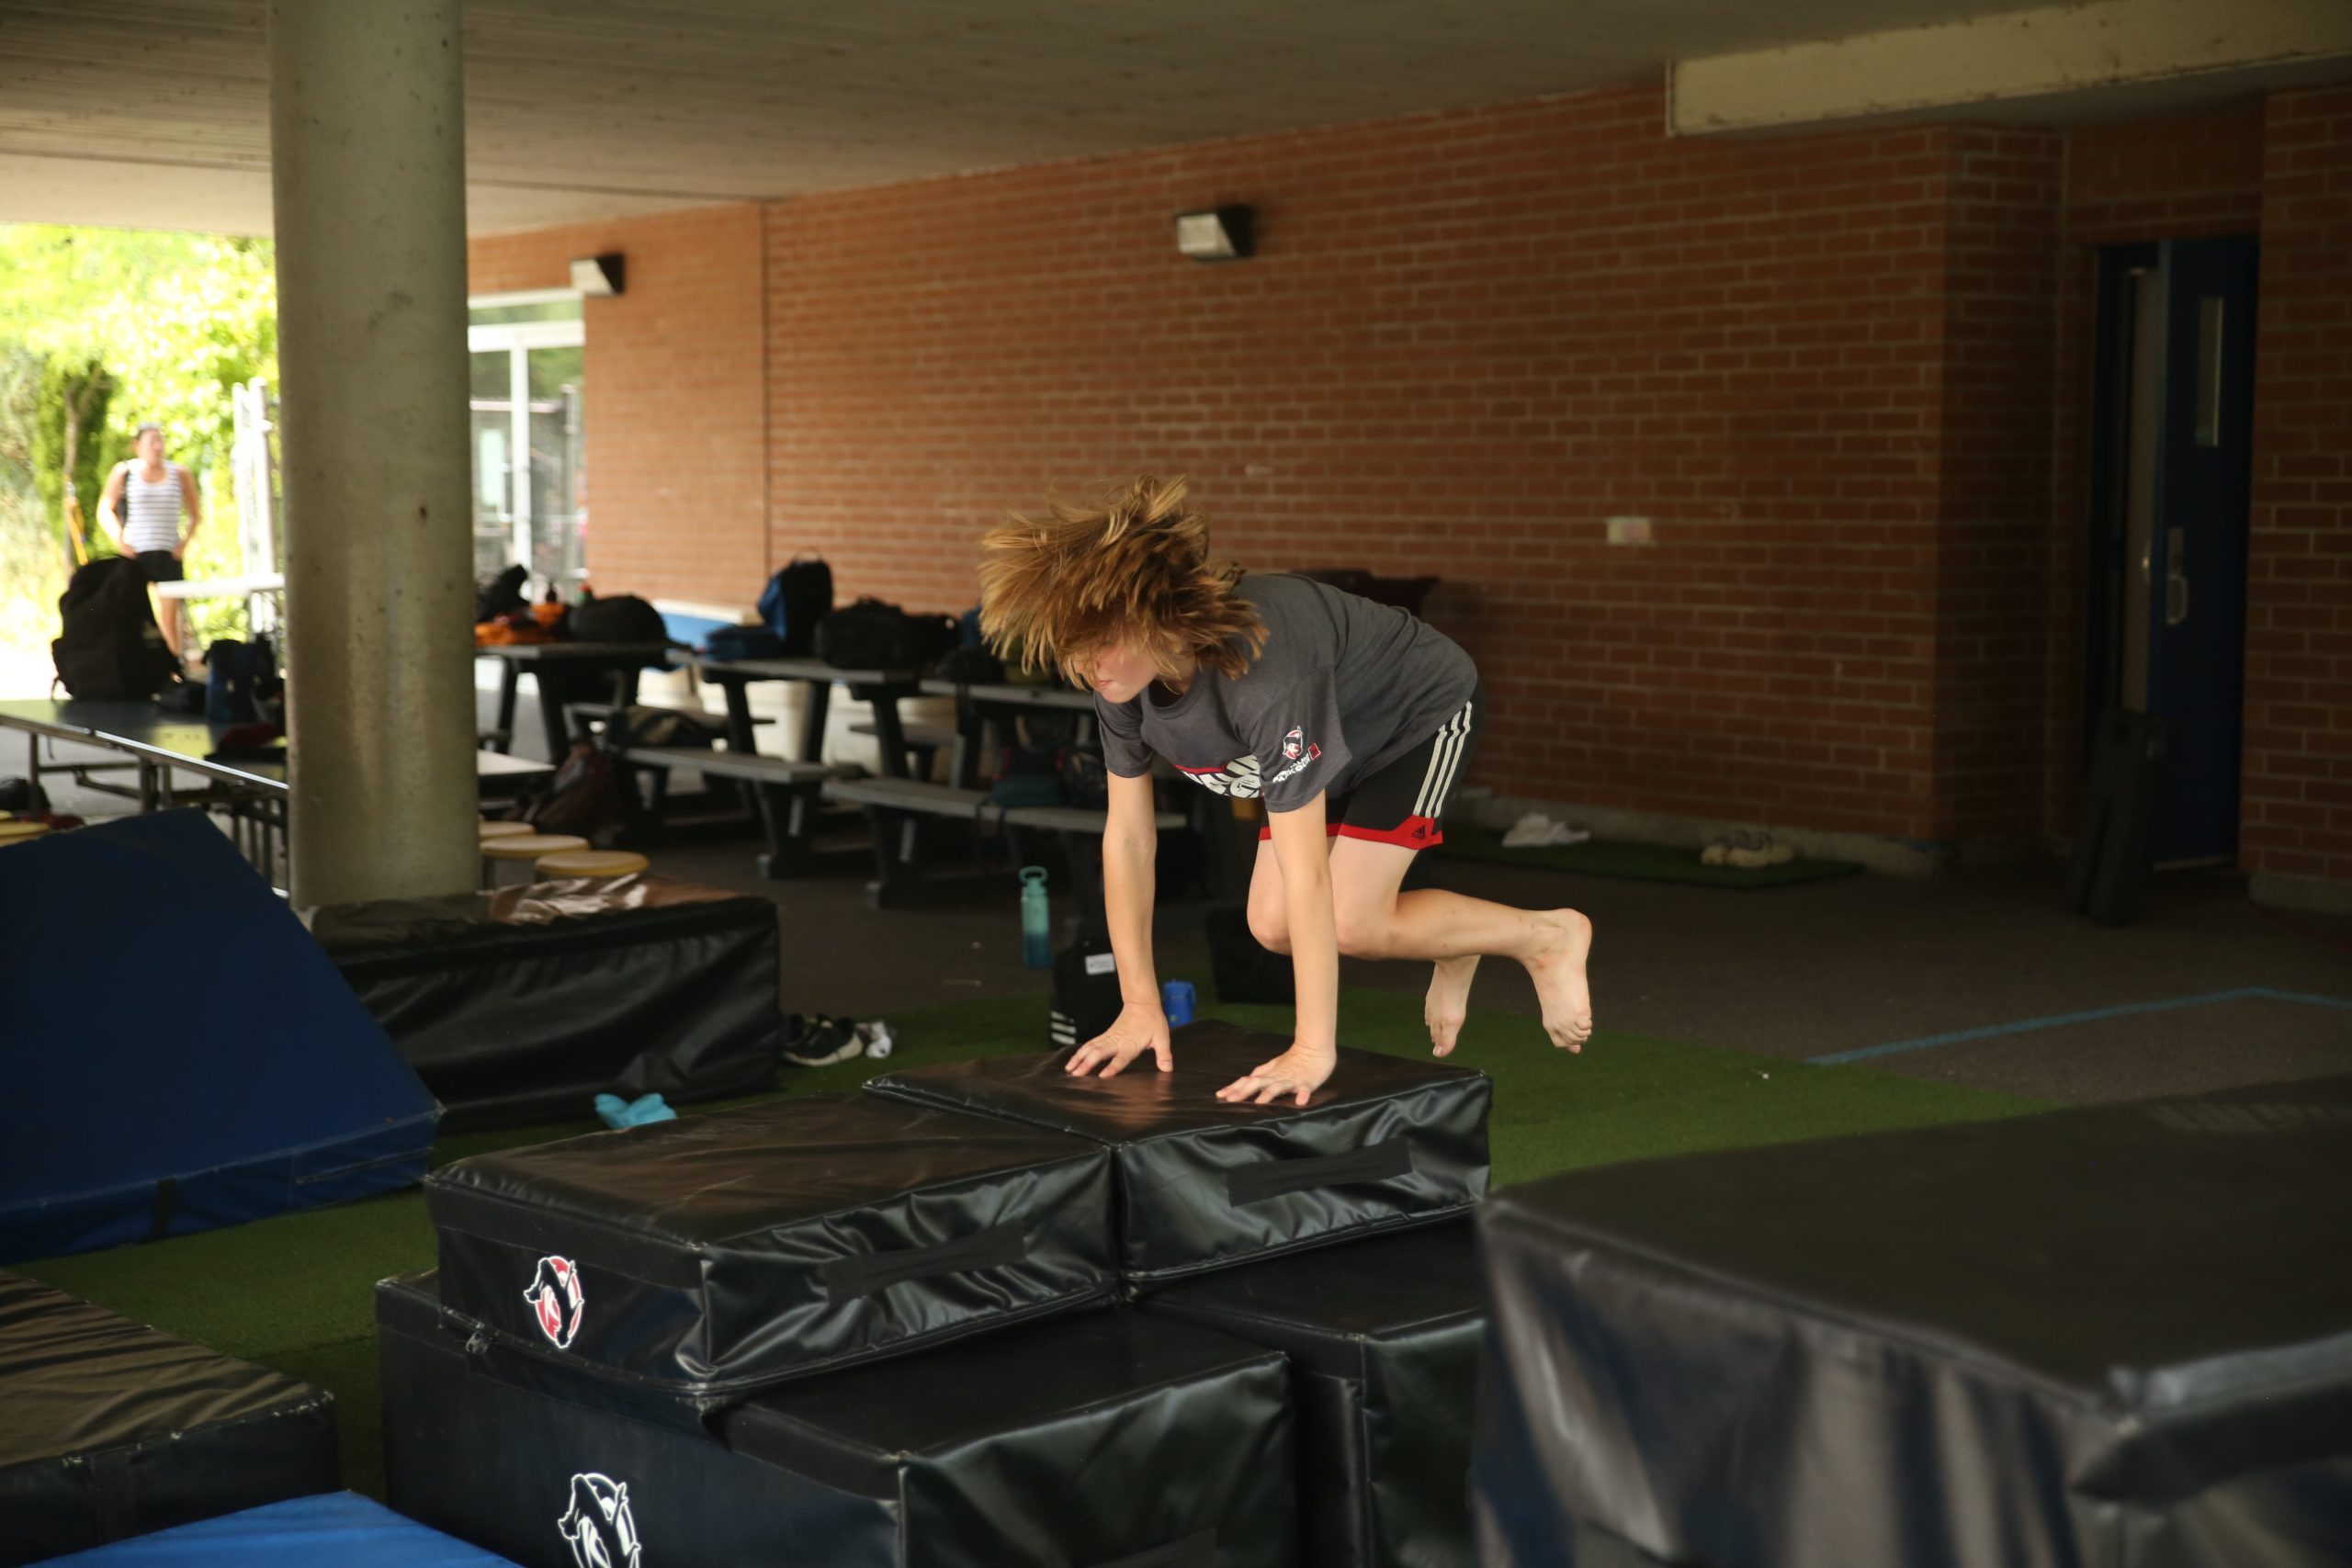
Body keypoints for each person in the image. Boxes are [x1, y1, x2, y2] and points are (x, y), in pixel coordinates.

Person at [978, 475, 1593, 1107]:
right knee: (1271, 926)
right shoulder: (1120, 684)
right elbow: (1130, 839)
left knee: (1352, 921)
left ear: (1158, 617)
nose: (1086, 667)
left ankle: (1547, 935)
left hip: (1413, 718)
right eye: (1073, 649)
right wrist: (1138, 1004)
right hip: (1327, 731)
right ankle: (1455, 937)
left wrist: (1311, 1048)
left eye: (1101, 644)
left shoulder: (1263, 677)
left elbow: (1309, 875)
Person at [97, 422, 202, 659]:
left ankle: (171, 668)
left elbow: (195, 514)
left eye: (160, 441)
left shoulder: (180, 473)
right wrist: (121, 541)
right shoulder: (125, 472)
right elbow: (105, 509)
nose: (157, 447)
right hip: (136, 555)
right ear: (137, 446)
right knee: (134, 615)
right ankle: (134, 666)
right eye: (151, 441)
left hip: (168, 554)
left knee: (169, 621)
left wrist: (183, 545)